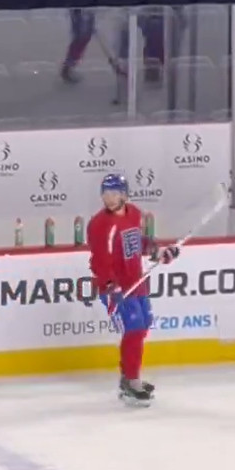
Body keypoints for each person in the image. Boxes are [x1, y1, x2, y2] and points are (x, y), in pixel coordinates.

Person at [87, 173, 180, 406]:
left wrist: (160, 253)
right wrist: (111, 286)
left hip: (136, 282)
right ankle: (131, 381)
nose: (109, 198)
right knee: (134, 327)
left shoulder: (135, 214)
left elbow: (138, 244)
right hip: (114, 288)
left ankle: (127, 377)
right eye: (106, 193)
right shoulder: (99, 224)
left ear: (125, 195)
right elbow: (99, 260)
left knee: (143, 325)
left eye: (115, 193)